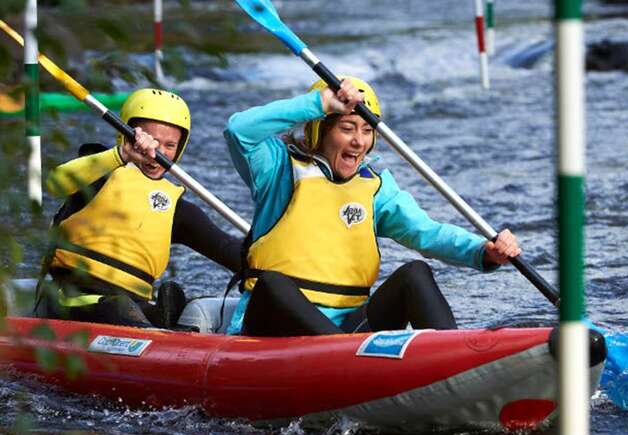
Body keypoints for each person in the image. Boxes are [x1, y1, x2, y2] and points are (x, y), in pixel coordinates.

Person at [224, 77, 521, 336]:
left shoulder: (375, 187)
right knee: (273, 284)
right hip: (272, 325)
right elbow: (239, 130)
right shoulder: (277, 168)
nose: (358, 141)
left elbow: (427, 233)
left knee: (415, 274)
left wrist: (483, 251)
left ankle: (455, 363)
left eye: (367, 130)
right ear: (319, 130)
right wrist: (319, 103)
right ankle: (340, 356)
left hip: (347, 327)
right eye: (347, 127)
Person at [37, 88, 242, 328]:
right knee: (119, 308)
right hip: (70, 298)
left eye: (170, 145)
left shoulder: (176, 206)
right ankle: (154, 331)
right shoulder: (100, 170)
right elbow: (55, 183)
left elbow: (227, 248)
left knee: (165, 308)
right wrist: (122, 154)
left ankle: (163, 327)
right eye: (151, 140)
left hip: (132, 306)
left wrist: (277, 266)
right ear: (126, 134)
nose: (158, 152)